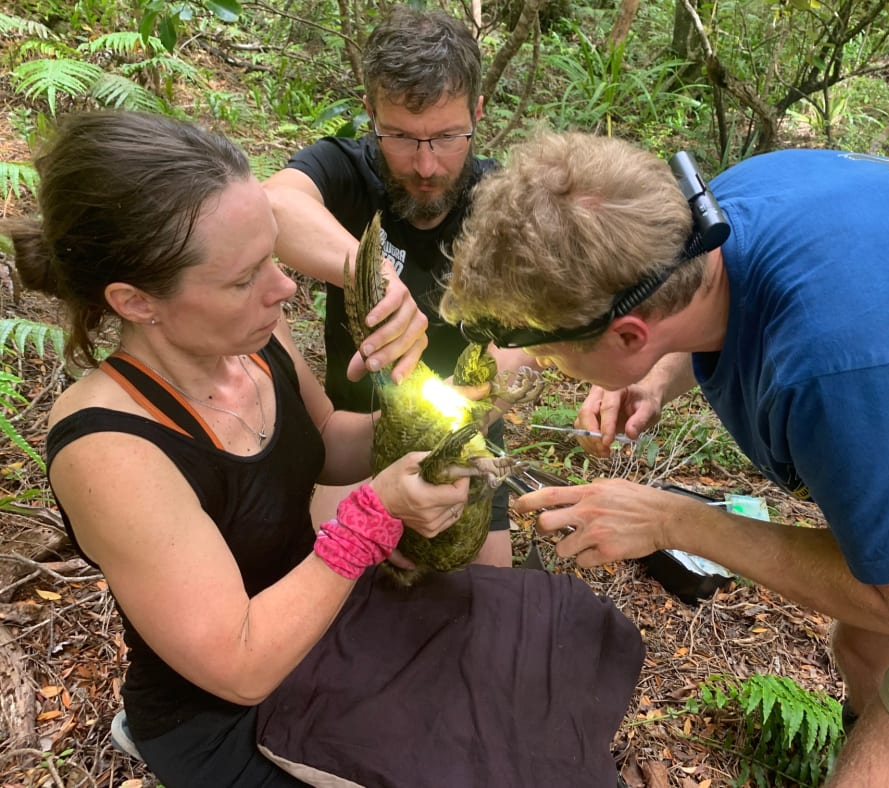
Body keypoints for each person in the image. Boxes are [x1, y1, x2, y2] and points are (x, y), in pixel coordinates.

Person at [6, 113, 644, 787]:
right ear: (135, 302)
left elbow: (329, 443)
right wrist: (375, 516)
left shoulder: (251, 340)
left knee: (546, 633)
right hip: (229, 710)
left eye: (272, 257)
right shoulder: (110, 450)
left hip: (326, 615)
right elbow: (241, 665)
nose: (284, 288)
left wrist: (432, 416)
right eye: (244, 278)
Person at [439, 131, 889, 787]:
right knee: (864, 647)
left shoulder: (839, 369)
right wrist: (657, 374)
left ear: (628, 333)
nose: (545, 364)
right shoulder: (722, 214)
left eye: (545, 351)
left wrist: (674, 521)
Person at [264, 5, 531, 567]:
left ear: (478, 112)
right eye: (402, 137)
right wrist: (373, 271)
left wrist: (480, 397)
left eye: (448, 136)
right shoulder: (343, 170)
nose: (426, 165)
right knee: (339, 580)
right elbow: (274, 205)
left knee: (490, 592)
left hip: (467, 438)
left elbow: (531, 340)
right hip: (356, 439)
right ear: (371, 112)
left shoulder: (504, 201)